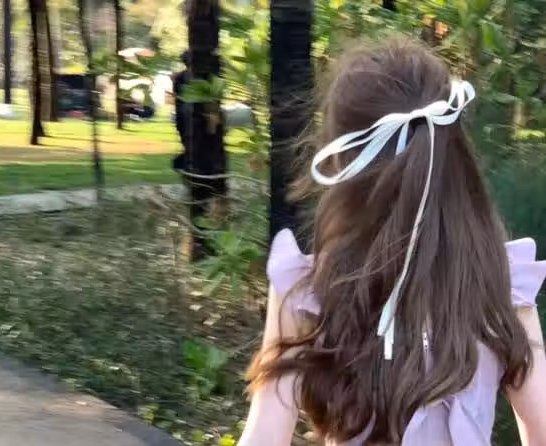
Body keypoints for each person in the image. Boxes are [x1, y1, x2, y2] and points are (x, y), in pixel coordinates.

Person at [238, 39, 546, 446]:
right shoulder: (499, 280)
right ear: (453, 158)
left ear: (341, 160)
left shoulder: (307, 290)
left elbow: (265, 436)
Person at [172, 51, 190, 175]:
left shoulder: (179, 77)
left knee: (188, 144)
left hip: (182, 116)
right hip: (185, 116)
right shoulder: (181, 78)